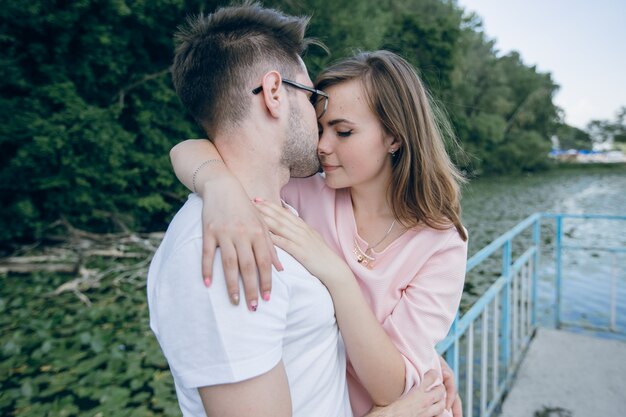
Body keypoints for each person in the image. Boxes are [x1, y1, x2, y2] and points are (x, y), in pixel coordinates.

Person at [148, 3, 450, 417]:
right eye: (312, 98)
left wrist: (426, 360)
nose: (321, 132)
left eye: (342, 130)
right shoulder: (226, 248)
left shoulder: (278, 204)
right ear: (274, 93)